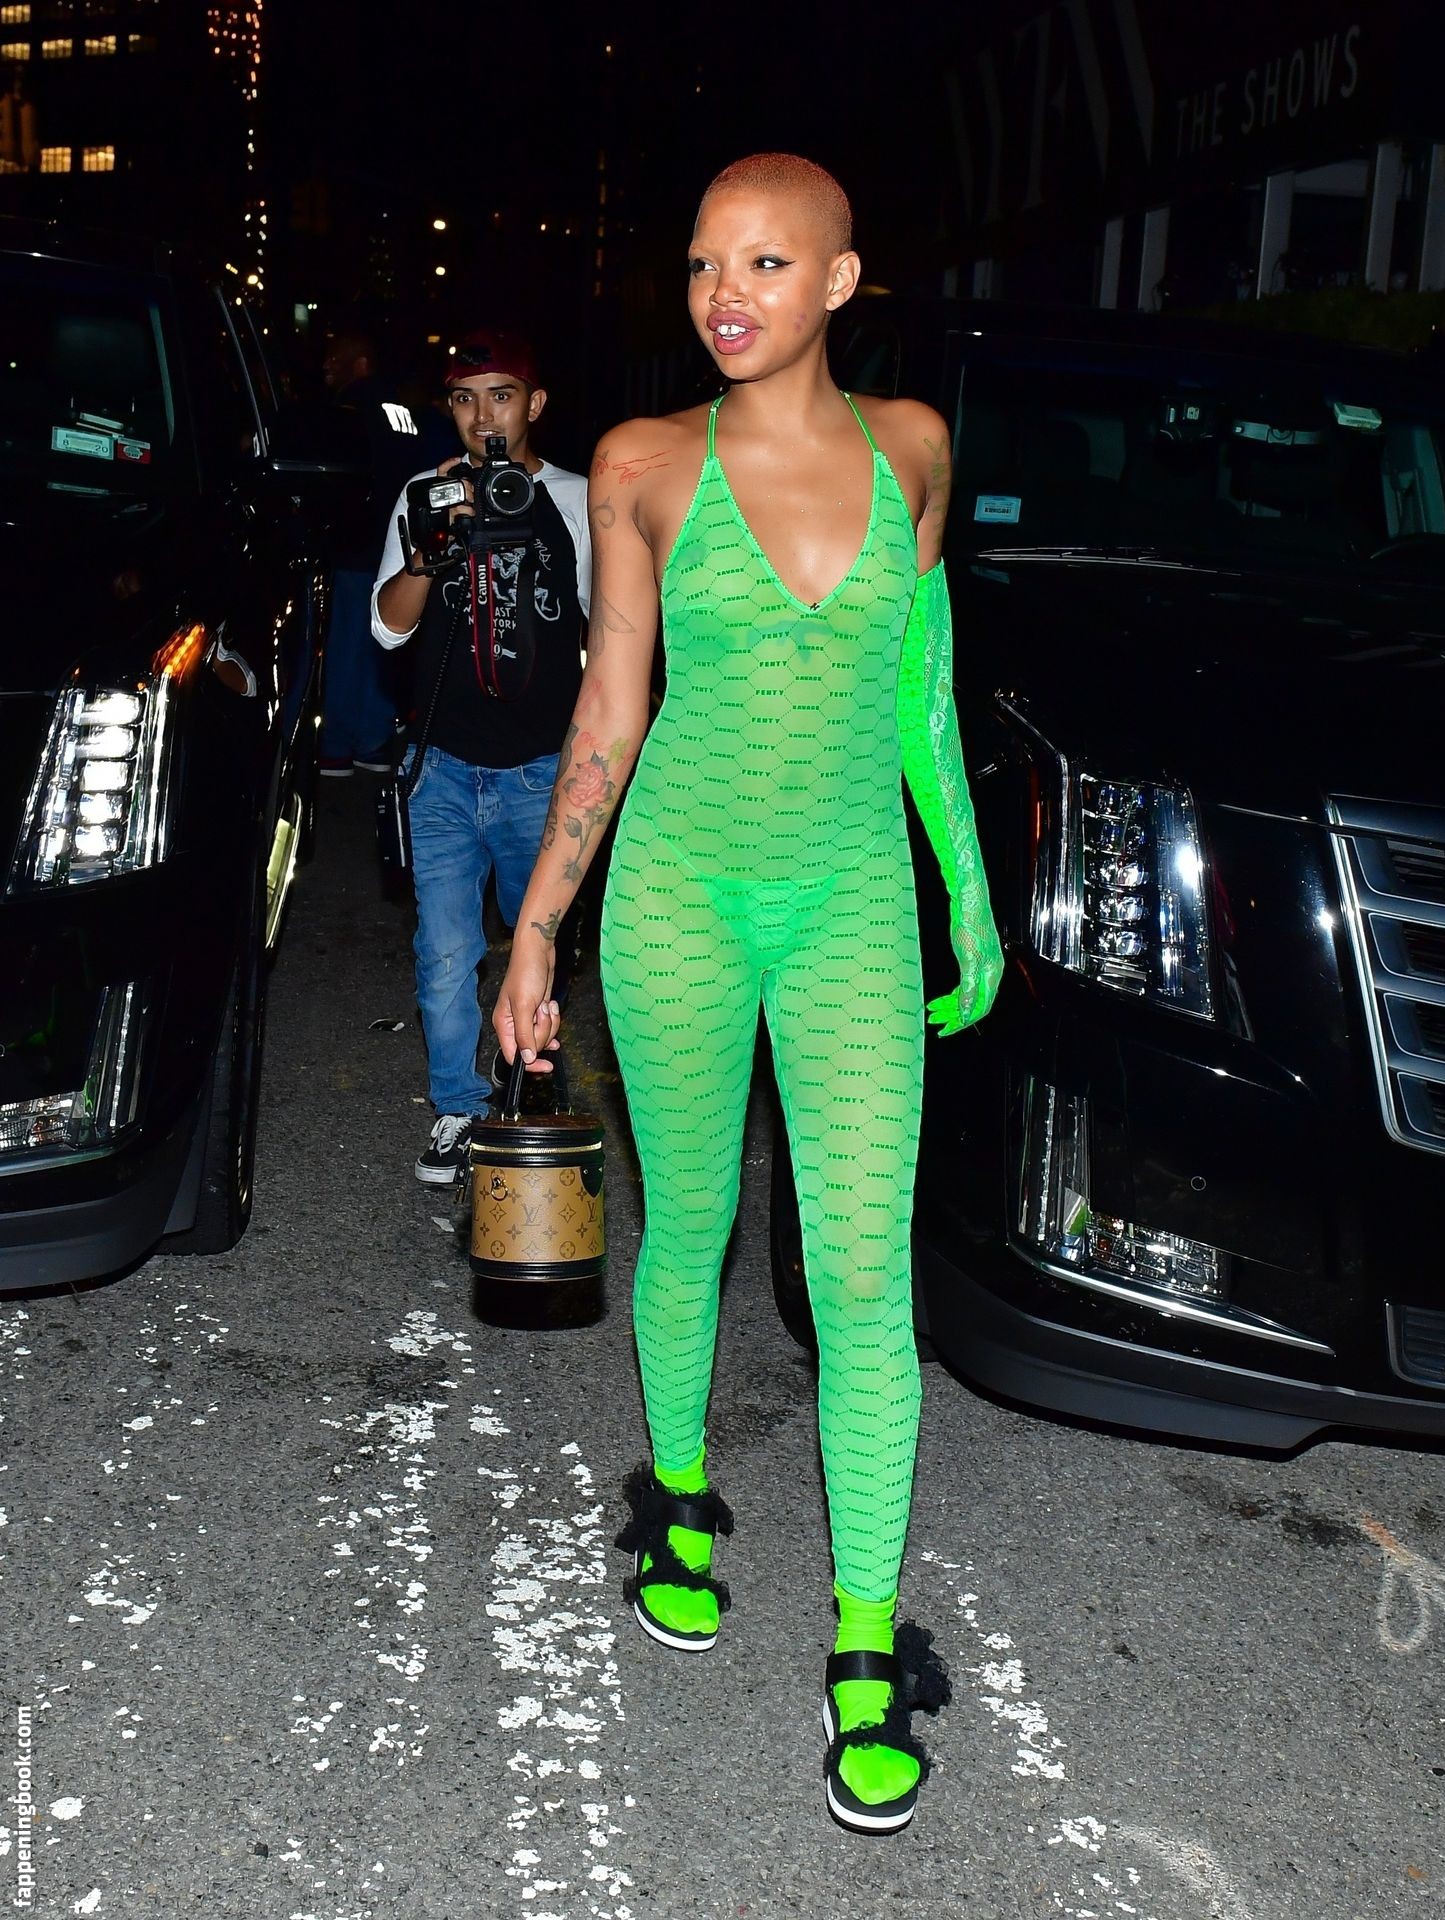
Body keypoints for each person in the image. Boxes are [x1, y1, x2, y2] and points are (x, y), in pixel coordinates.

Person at [492, 155, 1002, 1833]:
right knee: (692, 1223)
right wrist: (536, 930)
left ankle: (864, 1647)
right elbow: (609, 712)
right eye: (707, 263)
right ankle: (678, 1495)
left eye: (767, 264)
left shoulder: (913, 448)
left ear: (840, 282)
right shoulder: (641, 464)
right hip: (679, 902)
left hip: (849, 901)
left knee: (860, 1275)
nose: (726, 294)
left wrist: (967, 891)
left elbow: (922, 692)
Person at [372, 330, 591, 1183]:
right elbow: (388, 627)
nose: (483, 415)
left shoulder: (579, 498)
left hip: (539, 769)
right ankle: (459, 1108)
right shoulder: (425, 492)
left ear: (535, 403)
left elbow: (611, 632)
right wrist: (430, 552)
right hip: (444, 769)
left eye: (501, 395)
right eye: (464, 398)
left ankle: (523, 1091)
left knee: (537, 943)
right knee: (445, 952)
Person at [319, 328, 448, 776]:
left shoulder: (349, 408)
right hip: (395, 543)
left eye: (335, 358)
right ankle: (372, 740)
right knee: (379, 646)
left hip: (354, 547)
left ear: (360, 363)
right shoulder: (402, 410)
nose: (326, 365)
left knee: (345, 650)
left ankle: (335, 745)